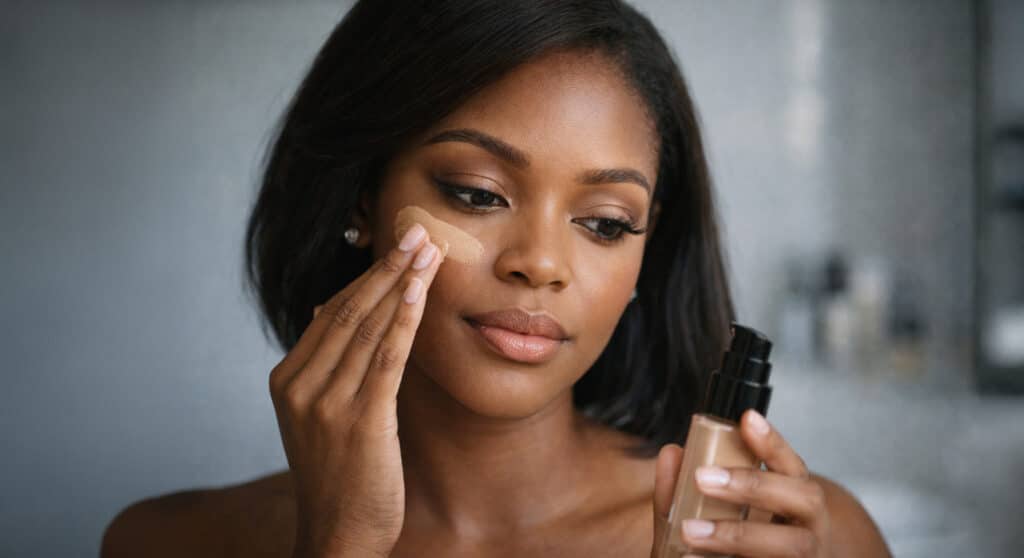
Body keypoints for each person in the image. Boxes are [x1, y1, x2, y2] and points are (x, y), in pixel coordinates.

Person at [102, 1, 891, 556]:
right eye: (478, 195)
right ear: (360, 198)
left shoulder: (812, 544)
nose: (540, 264)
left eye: (606, 224)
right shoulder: (168, 542)